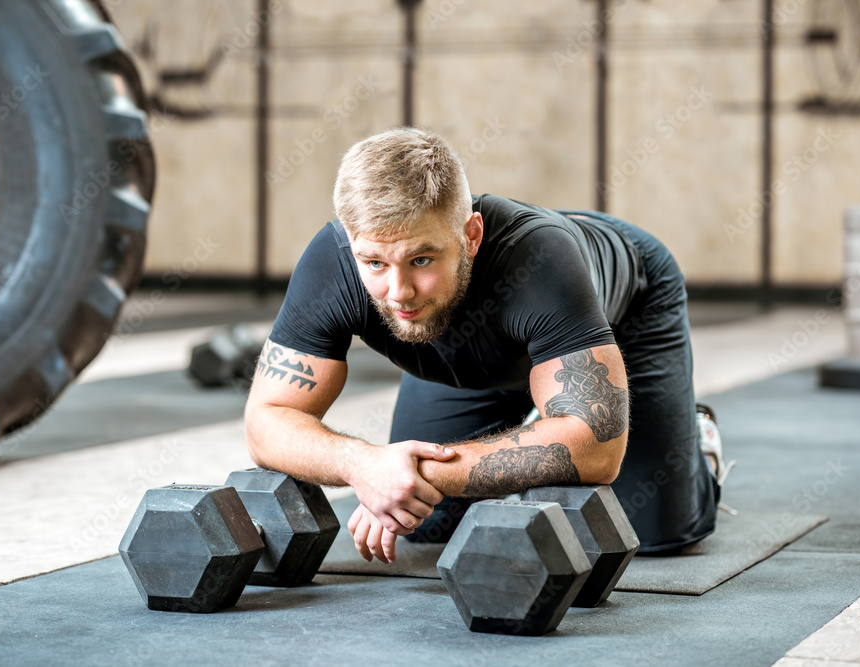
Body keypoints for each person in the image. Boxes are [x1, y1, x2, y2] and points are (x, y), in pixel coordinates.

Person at [244, 127, 728, 565]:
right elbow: (266, 420)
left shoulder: (541, 261)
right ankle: (548, 419)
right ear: (351, 244)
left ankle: (695, 441)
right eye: (373, 263)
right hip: (476, 355)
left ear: (471, 235)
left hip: (628, 304)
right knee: (428, 525)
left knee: (658, 534)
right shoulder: (331, 265)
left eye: (422, 258)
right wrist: (365, 466)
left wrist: (408, 476)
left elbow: (597, 448)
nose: (399, 292)